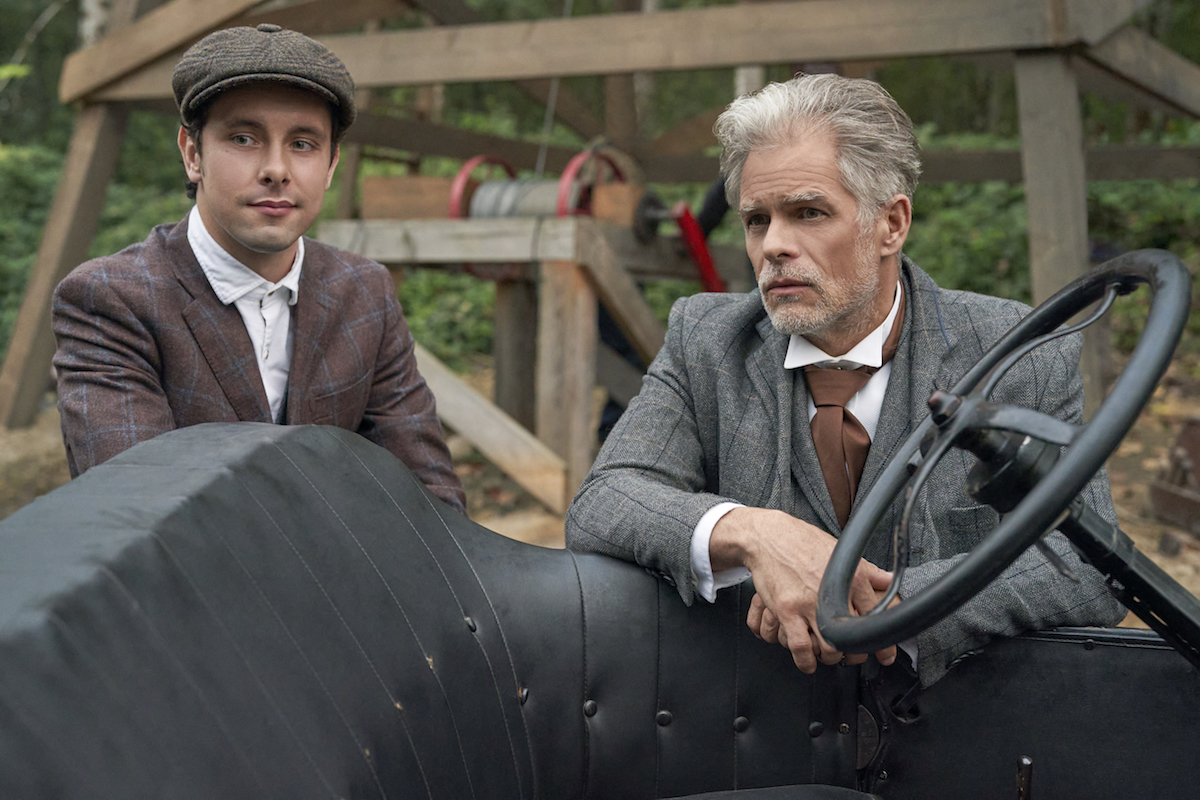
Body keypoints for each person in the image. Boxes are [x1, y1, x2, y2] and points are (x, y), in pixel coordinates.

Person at [565, 74, 1125, 686]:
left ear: (891, 223)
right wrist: (756, 532)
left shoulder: (1016, 353)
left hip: (954, 738)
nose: (774, 245)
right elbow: (605, 500)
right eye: (757, 220)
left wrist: (885, 605)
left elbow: (1086, 564)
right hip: (758, 737)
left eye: (808, 212)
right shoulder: (706, 339)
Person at [52, 24, 466, 513]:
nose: (276, 168)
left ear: (332, 164)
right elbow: (139, 518)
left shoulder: (365, 292)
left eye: (303, 144)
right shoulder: (111, 299)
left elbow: (432, 506)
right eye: (244, 138)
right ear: (192, 153)